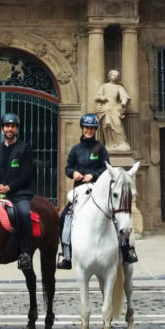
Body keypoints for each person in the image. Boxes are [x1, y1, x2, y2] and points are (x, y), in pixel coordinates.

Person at [57, 113, 137, 269]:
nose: (89, 131)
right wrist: (73, 173)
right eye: (87, 128)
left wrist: (92, 175)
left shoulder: (101, 148)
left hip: (98, 188)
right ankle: (66, 253)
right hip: (80, 190)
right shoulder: (75, 149)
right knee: (64, 217)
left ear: (95, 130)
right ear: (82, 128)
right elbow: (68, 168)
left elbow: (107, 169)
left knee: (116, 214)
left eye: (92, 128)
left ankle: (126, 249)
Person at [0, 112, 36, 271]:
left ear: (17, 129)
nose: (10, 129)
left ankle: (26, 253)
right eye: (7, 126)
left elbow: (27, 174)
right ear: (2, 129)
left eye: (13, 126)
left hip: (19, 194)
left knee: (24, 214)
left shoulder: (24, 148)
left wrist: (9, 187)